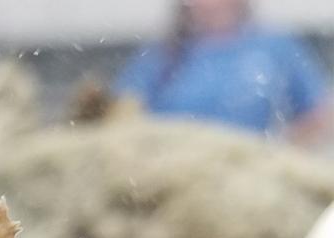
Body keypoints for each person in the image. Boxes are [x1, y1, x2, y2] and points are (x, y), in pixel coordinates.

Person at [114, 0, 331, 146]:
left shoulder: (273, 47)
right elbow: (121, 116)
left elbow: (319, 113)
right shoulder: (162, 56)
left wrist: (276, 153)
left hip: (251, 182)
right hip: (176, 184)